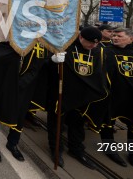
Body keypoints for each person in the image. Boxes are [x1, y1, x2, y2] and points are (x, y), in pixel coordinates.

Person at [46, 26, 109, 169]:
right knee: (57, 124)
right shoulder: (64, 46)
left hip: (83, 96)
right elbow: (45, 68)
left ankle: (76, 149)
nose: (93, 45)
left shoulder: (97, 51)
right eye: (90, 43)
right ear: (80, 37)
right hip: (63, 93)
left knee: (78, 125)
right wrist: (52, 61)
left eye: (96, 43)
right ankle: (56, 149)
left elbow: (99, 73)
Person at [0, 42, 45, 163]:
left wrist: (54, 59)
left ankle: (12, 143)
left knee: (20, 115)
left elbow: (38, 66)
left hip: (24, 86)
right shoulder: (12, 35)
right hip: (4, 80)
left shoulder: (41, 42)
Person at [99, 28, 133, 168]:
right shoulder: (105, 52)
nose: (114, 37)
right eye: (113, 35)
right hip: (112, 96)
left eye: (119, 36)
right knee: (107, 123)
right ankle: (109, 149)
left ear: (131, 39)